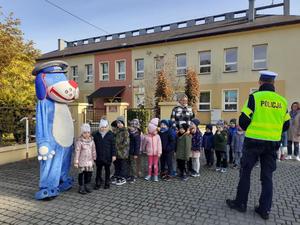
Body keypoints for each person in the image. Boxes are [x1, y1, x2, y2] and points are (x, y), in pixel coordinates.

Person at [226, 70, 290, 220]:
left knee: (246, 173)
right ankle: (264, 209)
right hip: (272, 144)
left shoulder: (254, 97)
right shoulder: (282, 101)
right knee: (267, 177)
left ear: (260, 83)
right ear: (273, 83)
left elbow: (243, 121)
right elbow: (286, 124)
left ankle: (241, 203)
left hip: (253, 142)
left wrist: (252, 128)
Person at [93, 118, 116, 190]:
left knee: (107, 170)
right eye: (102, 127)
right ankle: (98, 182)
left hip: (107, 156)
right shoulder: (95, 135)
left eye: (105, 127)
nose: (104, 129)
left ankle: (107, 182)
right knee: (98, 170)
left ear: (107, 127)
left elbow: (113, 146)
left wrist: (114, 155)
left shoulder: (110, 134)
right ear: (100, 127)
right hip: (98, 156)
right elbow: (93, 146)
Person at [74, 123, 96, 194]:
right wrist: (76, 161)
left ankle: (87, 185)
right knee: (81, 174)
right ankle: (81, 187)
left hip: (89, 162)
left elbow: (93, 150)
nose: (87, 134)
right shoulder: (79, 142)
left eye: (88, 132)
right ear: (82, 133)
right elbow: (77, 152)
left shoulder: (92, 141)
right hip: (82, 162)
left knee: (88, 174)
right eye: (85, 132)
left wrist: (94, 158)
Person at [114, 116, 130, 186]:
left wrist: (118, 147)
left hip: (123, 152)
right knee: (117, 164)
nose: (119, 124)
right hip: (117, 152)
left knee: (123, 165)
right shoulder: (116, 131)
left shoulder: (125, 131)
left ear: (123, 123)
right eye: (118, 123)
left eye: (120, 123)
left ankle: (123, 177)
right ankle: (117, 176)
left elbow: (126, 142)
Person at [127, 119, 141, 183]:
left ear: (135, 127)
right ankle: (130, 175)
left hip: (133, 152)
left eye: (132, 127)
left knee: (133, 164)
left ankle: (133, 176)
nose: (130, 128)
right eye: (130, 126)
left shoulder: (136, 135)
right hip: (129, 151)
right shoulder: (130, 133)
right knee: (129, 164)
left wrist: (136, 154)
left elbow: (137, 145)